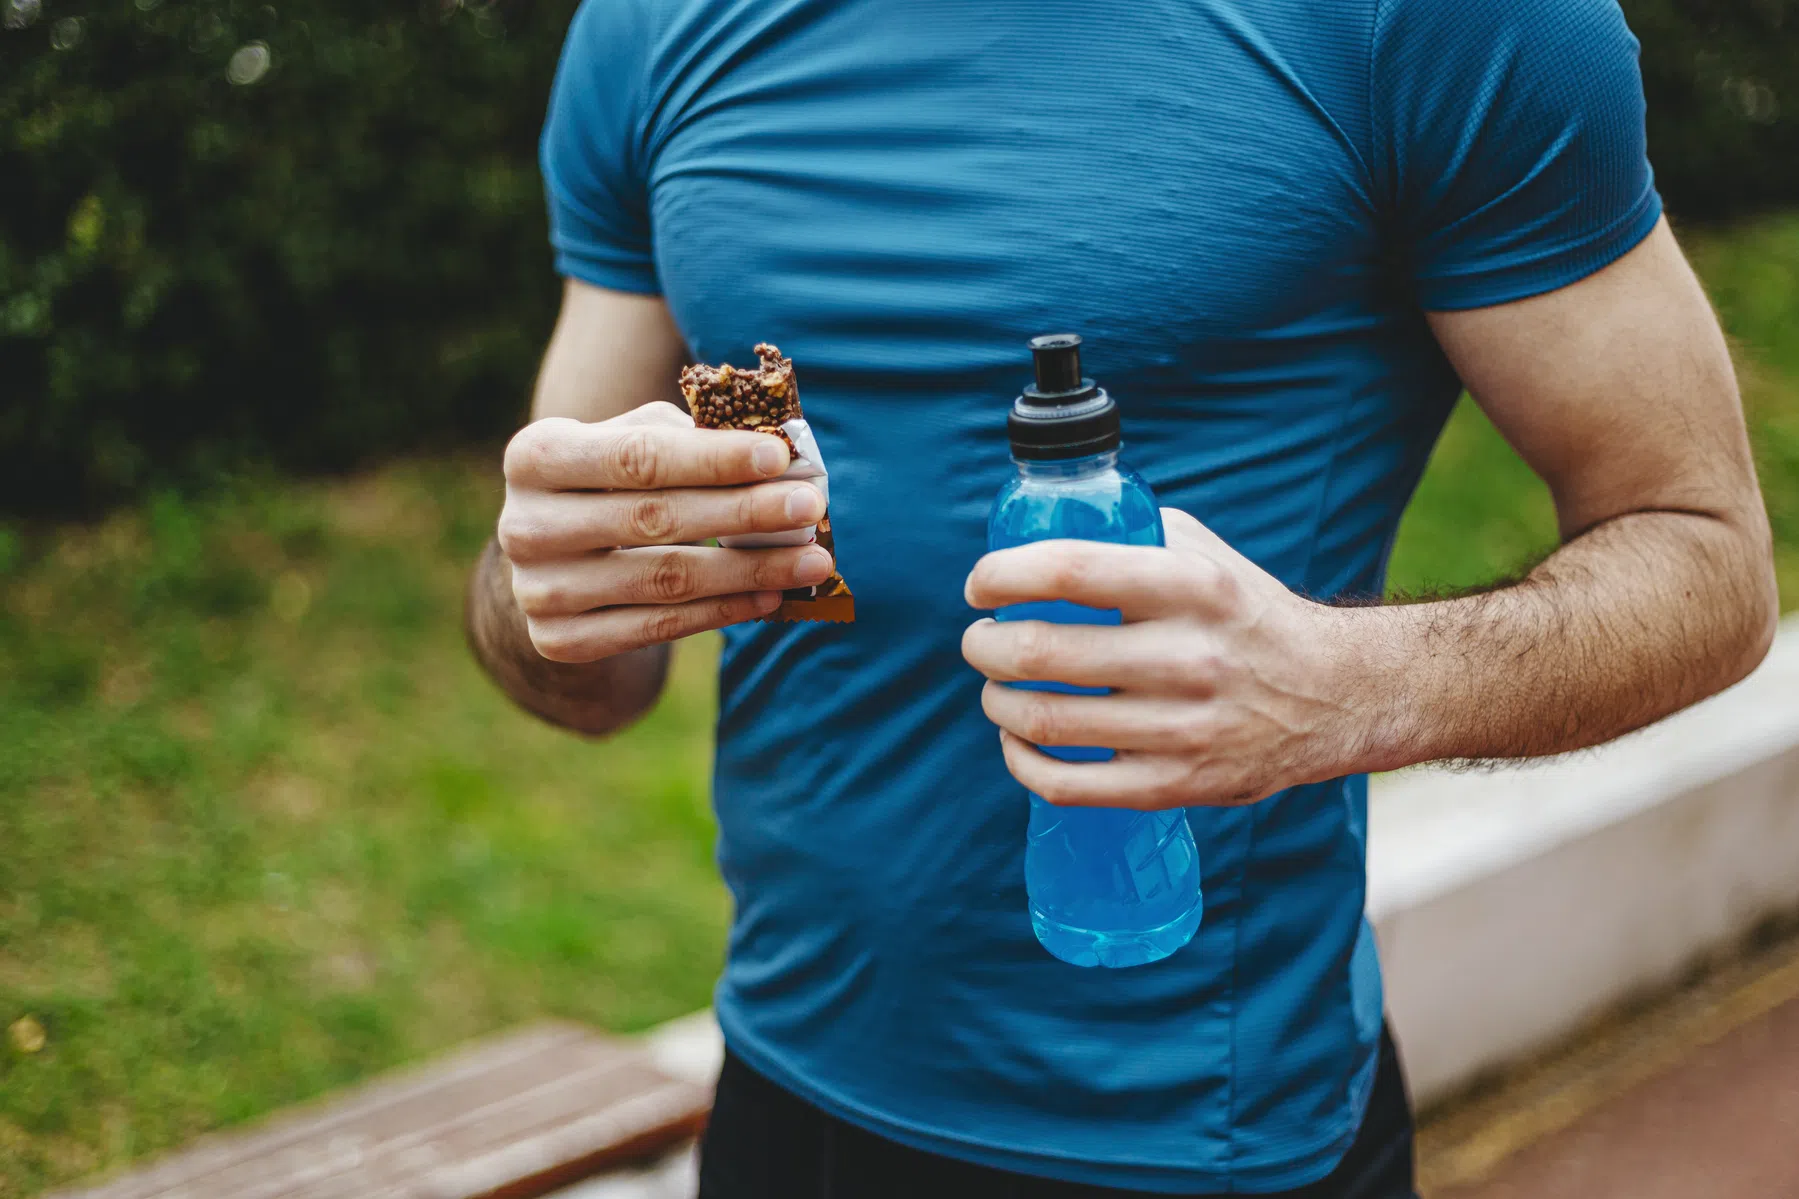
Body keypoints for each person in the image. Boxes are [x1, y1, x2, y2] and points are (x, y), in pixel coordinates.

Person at [465, 0, 1778, 1194]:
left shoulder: (1443, 21)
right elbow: (574, 652)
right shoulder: (650, 26)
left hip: (1197, 1136)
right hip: (782, 1088)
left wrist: (1343, 689)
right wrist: (550, 595)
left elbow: (1701, 552)